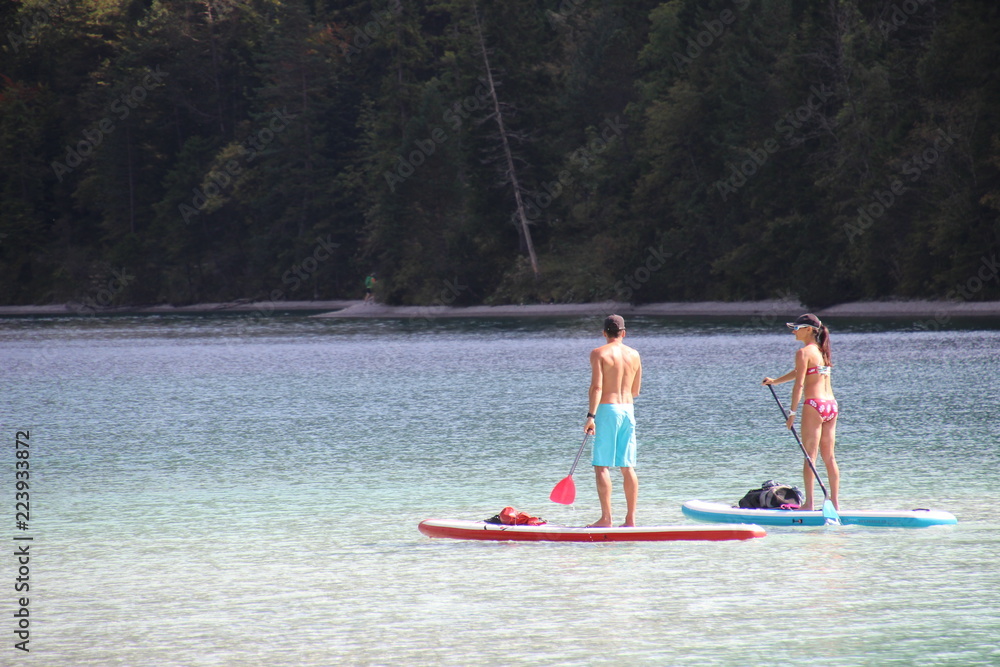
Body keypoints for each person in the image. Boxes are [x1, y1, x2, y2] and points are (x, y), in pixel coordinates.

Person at [762, 313, 840, 511]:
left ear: (809, 330)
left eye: (797, 328)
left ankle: (809, 504)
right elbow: (800, 372)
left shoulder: (803, 352)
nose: (793, 331)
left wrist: (792, 413)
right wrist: (775, 381)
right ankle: (836, 505)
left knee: (809, 457)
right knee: (829, 458)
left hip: (814, 405)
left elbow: (799, 385)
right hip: (831, 405)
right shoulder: (822, 351)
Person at [584, 314, 642, 527]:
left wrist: (591, 417)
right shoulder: (634, 354)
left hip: (607, 410)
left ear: (604, 333)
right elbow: (636, 390)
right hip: (628, 409)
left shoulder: (599, 353)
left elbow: (597, 387)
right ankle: (630, 520)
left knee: (601, 466)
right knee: (627, 466)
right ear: (623, 333)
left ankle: (606, 518)